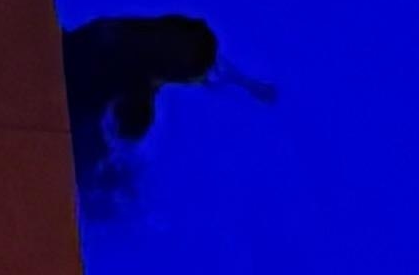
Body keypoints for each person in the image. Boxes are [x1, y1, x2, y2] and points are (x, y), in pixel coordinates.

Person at [61, 14, 272, 204]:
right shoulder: (137, 99)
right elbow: (115, 144)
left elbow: (205, 55)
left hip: (72, 49)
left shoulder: (146, 33)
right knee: (116, 190)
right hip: (71, 97)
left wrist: (249, 84)